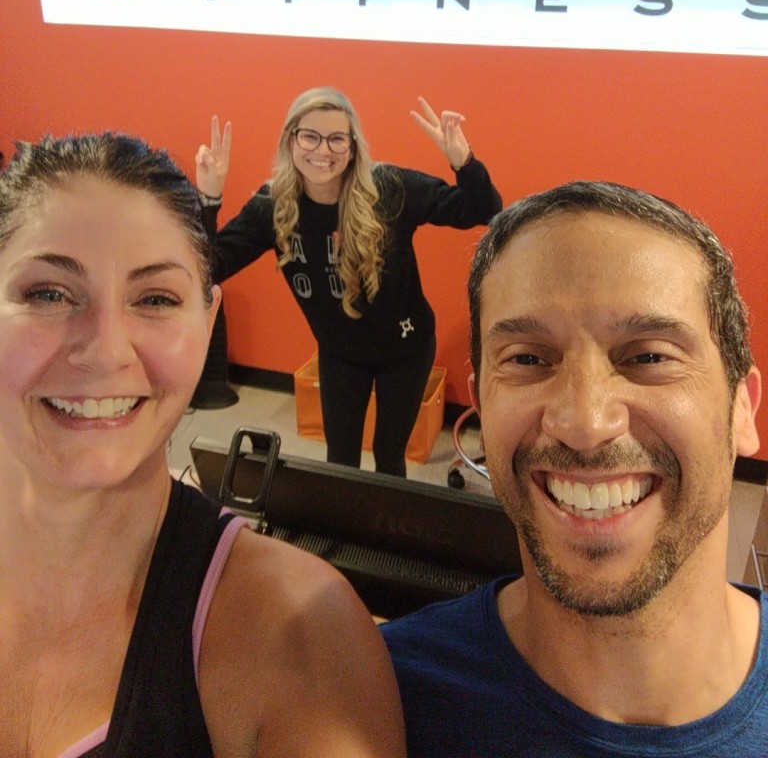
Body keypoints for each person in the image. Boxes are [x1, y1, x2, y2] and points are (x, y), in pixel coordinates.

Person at [0, 132, 405, 758]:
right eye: (48, 294)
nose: (105, 351)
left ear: (207, 321)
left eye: (155, 299)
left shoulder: (299, 634)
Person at [382, 180, 766, 757]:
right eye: (528, 359)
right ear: (482, 407)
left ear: (742, 409)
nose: (584, 423)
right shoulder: (380, 704)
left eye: (649, 356)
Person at [195, 89, 502, 477]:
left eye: (337, 138)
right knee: (340, 460)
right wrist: (208, 199)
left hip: (406, 350)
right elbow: (206, 269)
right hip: (340, 354)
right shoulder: (272, 207)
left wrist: (463, 160)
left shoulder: (388, 188)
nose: (323, 150)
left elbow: (484, 210)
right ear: (290, 140)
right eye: (310, 136)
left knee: (389, 456)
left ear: (353, 146)